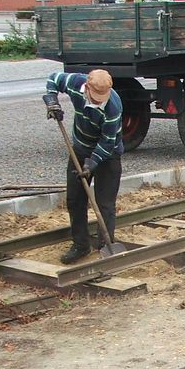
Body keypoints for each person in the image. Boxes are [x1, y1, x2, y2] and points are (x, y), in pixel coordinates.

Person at [43, 69, 124, 264]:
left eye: (101, 98)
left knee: (105, 204)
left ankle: (106, 243)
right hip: (80, 149)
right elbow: (53, 79)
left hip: (108, 156)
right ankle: (81, 245)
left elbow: (108, 142)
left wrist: (92, 163)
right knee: (75, 200)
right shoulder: (75, 84)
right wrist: (52, 101)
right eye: (95, 97)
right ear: (86, 88)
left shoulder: (113, 107)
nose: (98, 101)